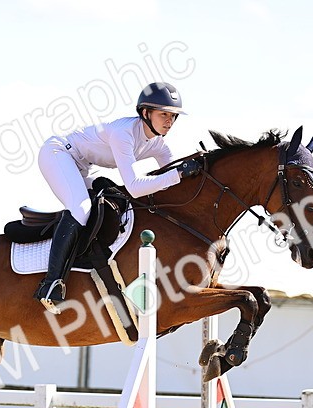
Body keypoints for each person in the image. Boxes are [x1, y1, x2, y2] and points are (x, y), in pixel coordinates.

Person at [33, 81, 202, 312]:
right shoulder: (124, 133)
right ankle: (51, 284)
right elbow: (135, 186)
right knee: (81, 208)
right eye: (164, 114)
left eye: (173, 116)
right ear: (145, 113)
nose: (169, 121)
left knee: (113, 200)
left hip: (82, 167)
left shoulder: (159, 145)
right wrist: (179, 174)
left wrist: (196, 172)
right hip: (58, 153)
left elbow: (173, 176)